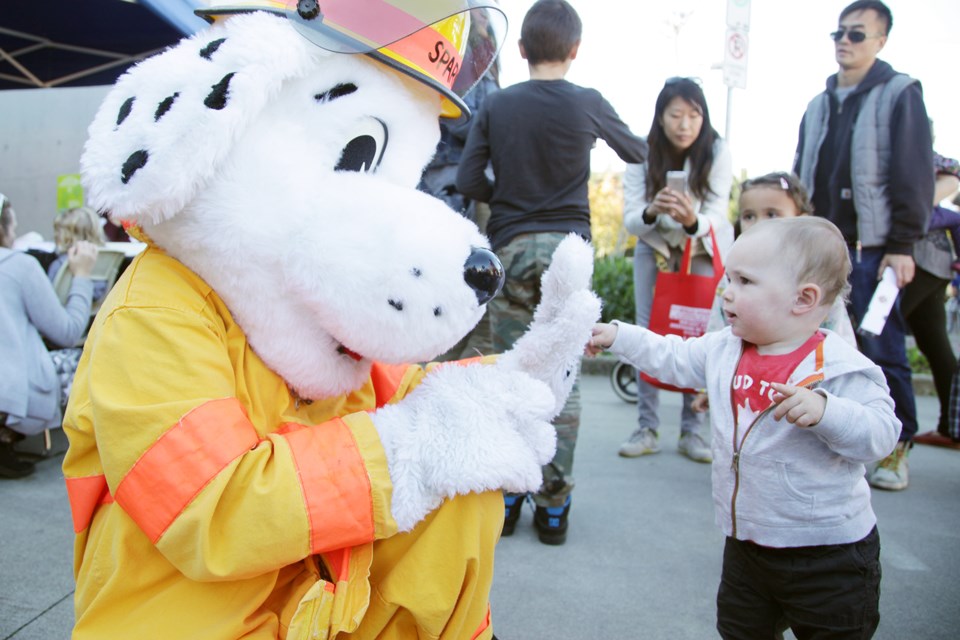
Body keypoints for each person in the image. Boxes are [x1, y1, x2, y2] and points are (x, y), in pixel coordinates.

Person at [588, 216, 900, 639]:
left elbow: (882, 433)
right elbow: (673, 355)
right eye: (728, 278)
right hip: (748, 545)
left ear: (803, 298)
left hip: (829, 554)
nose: (726, 292)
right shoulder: (724, 348)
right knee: (738, 631)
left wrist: (828, 411)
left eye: (744, 281)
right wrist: (617, 337)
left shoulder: (840, 366)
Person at [456, 0, 647, 544]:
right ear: (574, 49)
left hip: (511, 246)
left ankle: (512, 493)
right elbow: (636, 150)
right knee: (562, 375)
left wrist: (511, 197)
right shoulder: (586, 101)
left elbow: (470, 179)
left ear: (521, 50)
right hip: (569, 250)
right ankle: (554, 504)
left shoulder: (499, 105)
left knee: (516, 370)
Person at [793, 0, 934, 491]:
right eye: (838, 33)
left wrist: (902, 244)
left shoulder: (900, 93)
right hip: (821, 249)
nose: (844, 42)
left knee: (881, 345)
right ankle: (837, 437)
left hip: (875, 248)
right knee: (819, 344)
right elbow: (798, 179)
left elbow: (915, 172)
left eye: (857, 34)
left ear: (881, 41)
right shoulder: (818, 103)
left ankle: (897, 446)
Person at [618, 76, 734, 463]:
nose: (685, 124)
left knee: (697, 332)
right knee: (646, 329)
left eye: (694, 114)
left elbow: (719, 215)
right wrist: (653, 210)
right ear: (661, 117)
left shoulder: (716, 150)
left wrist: (691, 219)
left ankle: (692, 432)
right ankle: (646, 427)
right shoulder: (641, 151)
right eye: (676, 115)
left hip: (697, 249)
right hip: (654, 249)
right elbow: (631, 218)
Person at [692, 171, 857, 413]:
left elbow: (841, 337)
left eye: (772, 214)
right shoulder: (732, 278)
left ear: (802, 220)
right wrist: (712, 385)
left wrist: (835, 401)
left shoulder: (817, 284)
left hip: (803, 397)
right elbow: (717, 331)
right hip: (744, 390)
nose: (760, 223)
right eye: (749, 216)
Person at [0, 192, 97, 478]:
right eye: (13, 228)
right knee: (83, 358)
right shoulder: (18, 265)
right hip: (12, 393)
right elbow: (67, 331)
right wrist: (82, 275)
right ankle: (7, 434)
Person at [905, 153, 960, 447]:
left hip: (914, 260)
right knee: (935, 344)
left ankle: (894, 434)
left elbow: (953, 174)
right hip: (936, 264)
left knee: (875, 336)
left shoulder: (920, 157)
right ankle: (950, 428)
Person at [47, 206, 108, 302]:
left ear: (62, 236)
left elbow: (49, 298)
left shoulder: (59, 264)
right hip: (96, 308)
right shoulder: (105, 259)